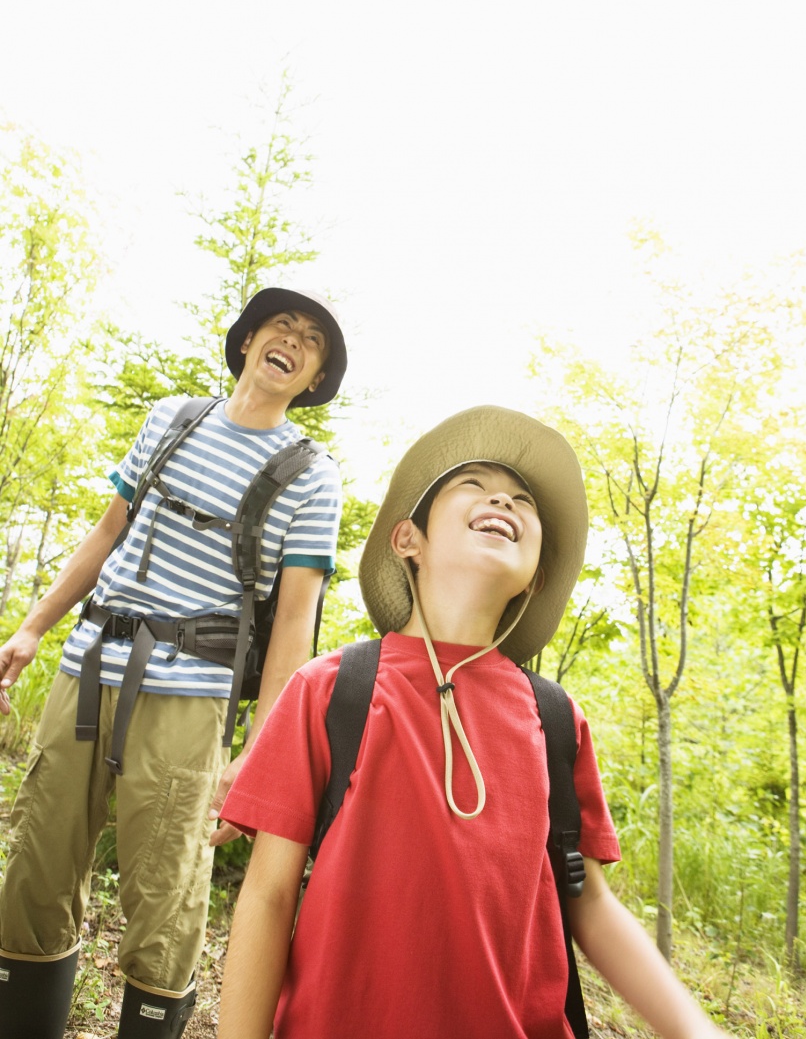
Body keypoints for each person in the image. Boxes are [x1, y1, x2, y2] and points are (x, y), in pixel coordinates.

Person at [217, 405, 732, 1039]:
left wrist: (696, 1028)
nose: (504, 500)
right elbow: (268, 897)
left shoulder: (555, 718)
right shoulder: (331, 690)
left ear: (533, 579)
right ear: (409, 540)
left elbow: (590, 904)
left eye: (523, 501)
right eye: (474, 484)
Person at [0, 287, 347, 1039]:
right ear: (250, 338)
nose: (291, 339)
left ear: (314, 378)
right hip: (87, 664)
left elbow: (295, 623)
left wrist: (261, 749)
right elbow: (106, 533)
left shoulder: (312, 476)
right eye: (282, 324)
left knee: (166, 890)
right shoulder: (171, 418)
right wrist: (33, 628)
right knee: (36, 862)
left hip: (190, 695)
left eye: (311, 339)